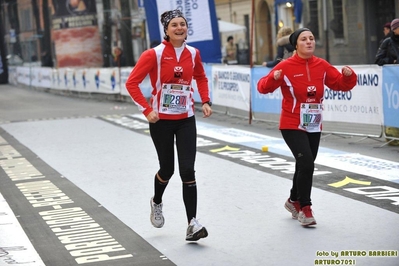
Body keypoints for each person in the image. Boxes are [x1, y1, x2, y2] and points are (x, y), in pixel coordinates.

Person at [125, 9, 212, 241]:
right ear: (166, 29)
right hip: (161, 121)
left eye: (182, 24)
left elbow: (201, 77)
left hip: (185, 119)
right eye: (174, 25)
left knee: (187, 170)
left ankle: (192, 224)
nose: (179, 28)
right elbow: (131, 83)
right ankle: (156, 201)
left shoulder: (194, 53)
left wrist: (205, 100)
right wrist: (147, 109)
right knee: (167, 170)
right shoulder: (153, 54)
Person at [257, 28, 357, 226]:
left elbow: (339, 84)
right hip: (291, 123)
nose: (309, 42)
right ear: (296, 44)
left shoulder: (322, 65)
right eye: (304, 39)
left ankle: (293, 200)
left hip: (313, 123)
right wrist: (273, 78)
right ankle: (305, 208)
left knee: (305, 164)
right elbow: (263, 87)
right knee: (307, 164)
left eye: (311, 38)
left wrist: (347, 76)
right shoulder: (285, 66)